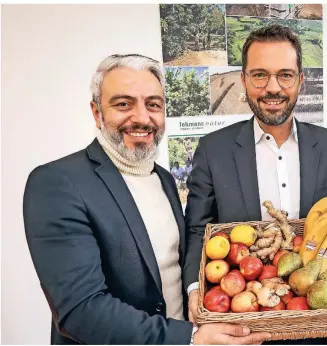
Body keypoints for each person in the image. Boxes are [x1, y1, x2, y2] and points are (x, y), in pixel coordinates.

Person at [23, 53, 271, 345]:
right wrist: (190, 339)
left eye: (153, 104)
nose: (142, 118)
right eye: (123, 104)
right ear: (96, 112)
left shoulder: (163, 178)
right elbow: (81, 311)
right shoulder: (57, 182)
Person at [185, 24, 327, 344]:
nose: (273, 87)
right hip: (241, 324)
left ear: (300, 80)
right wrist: (195, 289)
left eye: (285, 75)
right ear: (243, 80)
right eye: (259, 75)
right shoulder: (214, 149)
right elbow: (199, 227)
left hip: (319, 322)